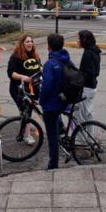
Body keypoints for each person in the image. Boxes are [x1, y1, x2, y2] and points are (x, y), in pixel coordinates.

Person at [39, 33, 72, 170]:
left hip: (51, 104)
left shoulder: (50, 64)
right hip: (64, 100)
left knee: (52, 135)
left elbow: (47, 86)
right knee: (57, 128)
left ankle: (53, 164)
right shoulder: (66, 59)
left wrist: (41, 100)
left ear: (49, 47)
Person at [7, 33, 42, 113]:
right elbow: (10, 73)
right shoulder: (15, 56)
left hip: (33, 88)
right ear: (22, 44)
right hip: (18, 89)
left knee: (28, 111)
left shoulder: (35, 55)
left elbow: (39, 68)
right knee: (25, 111)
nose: (30, 43)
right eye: (27, 42)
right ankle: (26, 125)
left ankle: (26, 124)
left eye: (31, 41)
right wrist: (22, 77)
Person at [76, 30, 101, 123]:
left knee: (81, 117)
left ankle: (82, 138)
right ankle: (89, 137)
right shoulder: (94, 50)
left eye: (79, 38)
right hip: (92, 87)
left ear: (84, 40)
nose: (77, 41)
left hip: (86, 88)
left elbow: (86, 73)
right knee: (89, 115)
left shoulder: (87, 53)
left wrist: (77, 79)